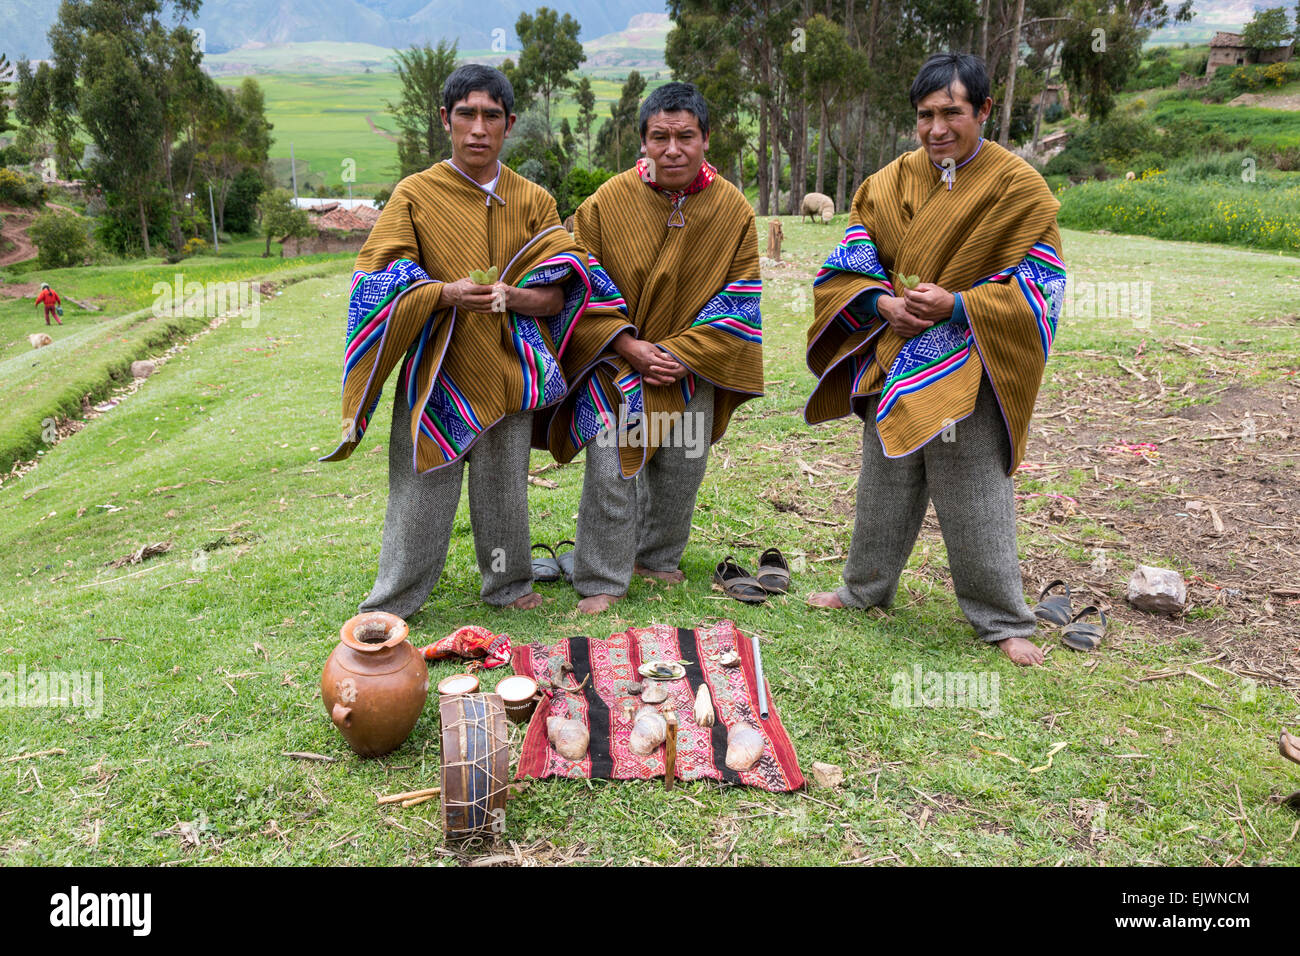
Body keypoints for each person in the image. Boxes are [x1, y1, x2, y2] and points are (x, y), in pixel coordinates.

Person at [321, 64, 622, 618]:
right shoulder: (415, 195)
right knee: (419, 491)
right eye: (466, 115)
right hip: (434, 374)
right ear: (446, 120)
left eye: (491, 116)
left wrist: (511, 296)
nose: (478, 128)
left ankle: (508, 587)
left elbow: (562, 292)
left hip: (508, 370)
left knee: (504, 491)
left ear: (509, 124)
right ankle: (393, 602)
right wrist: (442, 292)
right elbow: (375, 281)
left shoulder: (532, 200)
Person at [803, 53, 1067, 667]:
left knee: (973, 489)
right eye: (925, 115)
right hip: (894, 354)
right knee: (884, 480)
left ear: (984, 111)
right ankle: (863, 589)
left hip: (972, 361)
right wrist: (879, 302)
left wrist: (958, 305)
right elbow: (848, 262)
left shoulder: (1019, 189)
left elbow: (1041, 285)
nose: (937, 128)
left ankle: (1002, 620)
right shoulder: (887, 182)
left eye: (952, 113)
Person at [539, 82, 764, 614]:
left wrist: (683, 353)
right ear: (642, 141)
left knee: (682, 466)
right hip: (619, 363)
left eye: (686, 136)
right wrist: (628, 345)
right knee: (612, 466)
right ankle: (601, 579)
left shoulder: (733, 210)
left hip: (694, 366)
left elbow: (742, 295)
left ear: (706, 139)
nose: (673, 149)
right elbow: (580, 280)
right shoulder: (606, 203)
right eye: (659, 136)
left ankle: (657, 558)